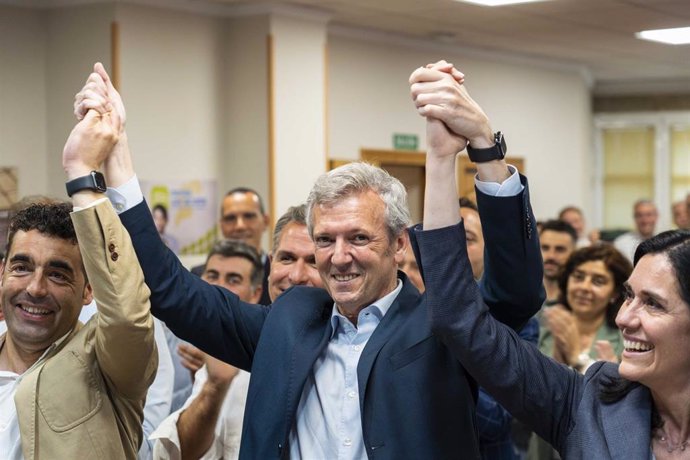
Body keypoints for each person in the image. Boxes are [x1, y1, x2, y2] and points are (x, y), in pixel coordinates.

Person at [75, 60, 543, 458]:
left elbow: (515, 293)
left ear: (401, 245)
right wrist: (116, 157)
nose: (339, 258)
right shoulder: (289, 322)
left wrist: (482, 147)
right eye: (325, 240)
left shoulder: (440, 325)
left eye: (358, 237)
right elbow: (171, 290)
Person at [415, 103, 690, 458]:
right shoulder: (591, 403)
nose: (624, 318)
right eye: (628, 297)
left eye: (653, 303)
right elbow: (460, 319)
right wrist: (447, 157)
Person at [0, 96, 156, 457]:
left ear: (89, 290)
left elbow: (128, 320)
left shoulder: (106, 364)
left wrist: (82, 174)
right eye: (22, 267)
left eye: (58, 274)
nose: (35, 288)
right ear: (2, 272)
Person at [151, 239, 263, 460]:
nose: (218, 287)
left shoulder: (254, 351)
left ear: (257, 293)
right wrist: (211, 384)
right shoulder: (171, 336)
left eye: (233, 279)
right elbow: (181, 453)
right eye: (212, 276)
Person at [191, 187, 271, 305]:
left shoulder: (278, 277)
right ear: (221, 225)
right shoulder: (198, 276)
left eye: (248, 216)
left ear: (265, 221)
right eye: (230, 218)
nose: (240, 226)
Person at [539, 220, 577, 307]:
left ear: (574, 252)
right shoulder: (522, 297)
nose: (551, 256)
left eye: (560, 249)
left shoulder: (581, 302)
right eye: (545, 248)